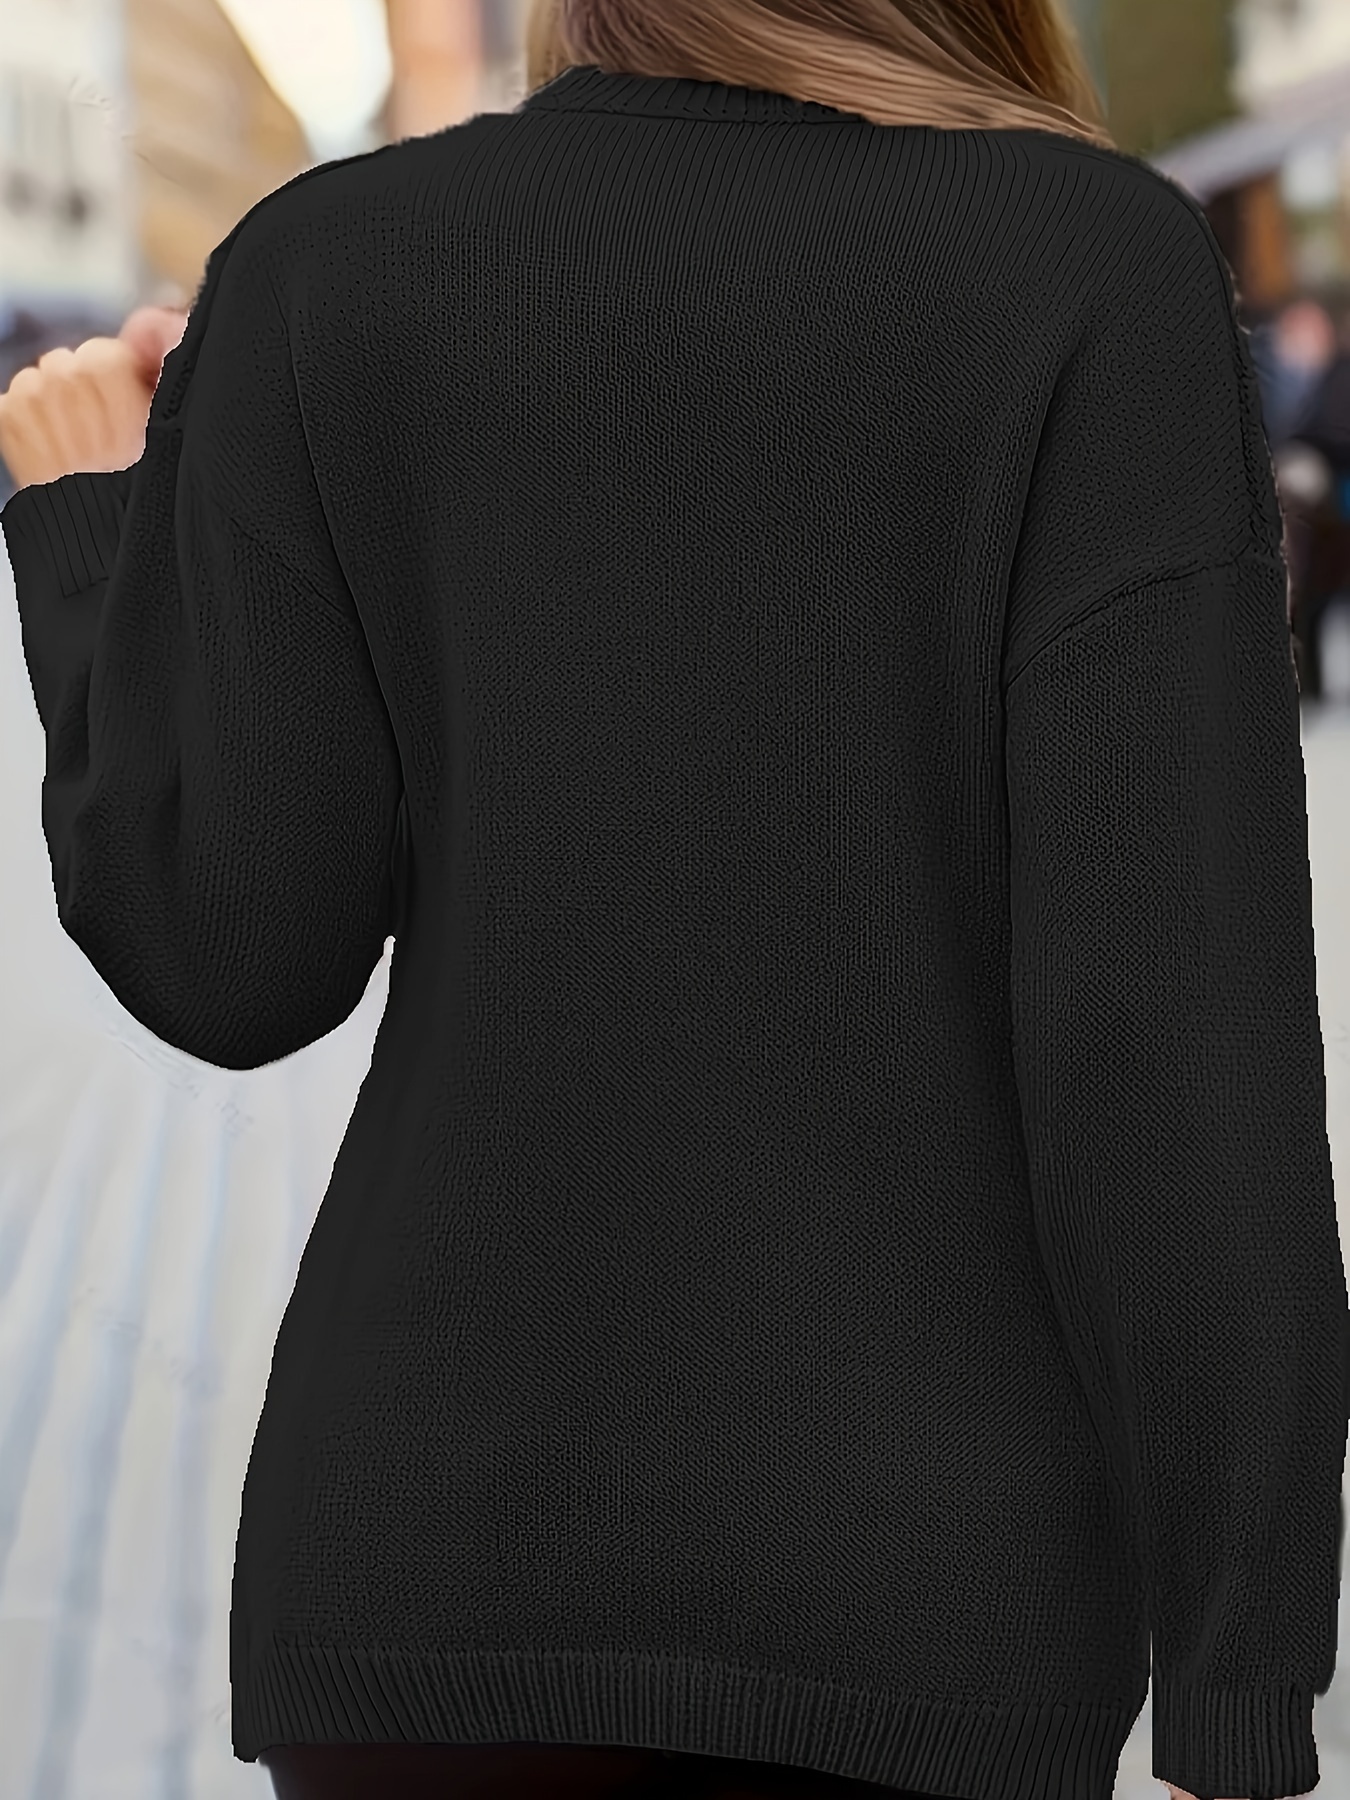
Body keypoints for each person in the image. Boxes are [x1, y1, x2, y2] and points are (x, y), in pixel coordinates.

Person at [0, 1, 1342, 1799]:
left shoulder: (326, 267)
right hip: (926, 1602)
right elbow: (1169, 1040)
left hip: (423, 1582)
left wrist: (101, 532)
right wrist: (1238, 1682)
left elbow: (229, 953)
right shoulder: (1083, 267)